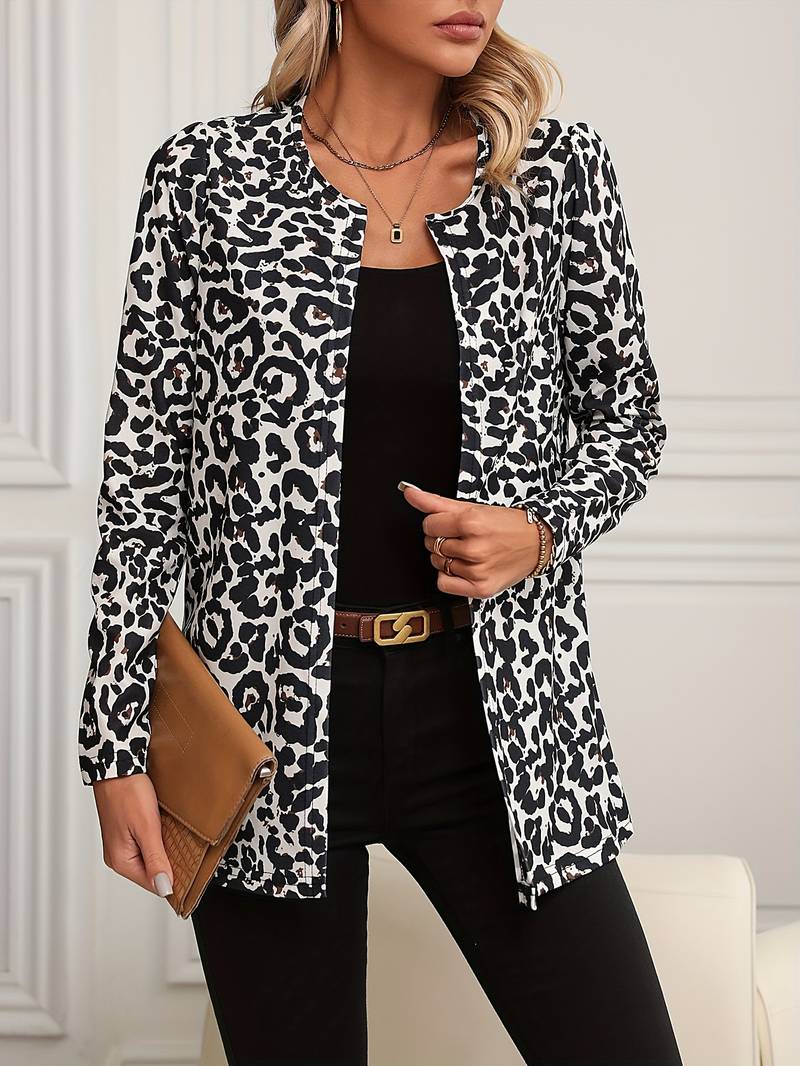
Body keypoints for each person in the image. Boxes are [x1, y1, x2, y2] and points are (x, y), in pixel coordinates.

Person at [79, 1, 683, 1063]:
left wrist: (541, 529)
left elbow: (627, 417)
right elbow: (142, 485)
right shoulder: (207, 178)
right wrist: (113, 744)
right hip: (270, 728)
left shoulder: (551, 174)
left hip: (502, 720)